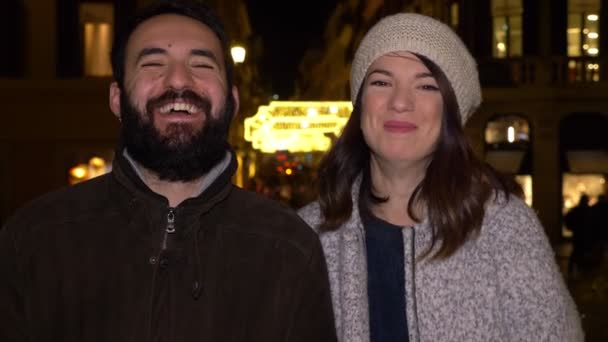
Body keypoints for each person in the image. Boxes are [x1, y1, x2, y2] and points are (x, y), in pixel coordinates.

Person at [0, 1, 336, 341]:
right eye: (153, 63)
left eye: (202, 64)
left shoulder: (290, 247)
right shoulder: (33, 240)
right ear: (117, 98)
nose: (178, 80)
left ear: (232, 100)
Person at [299, 13, 583, 342]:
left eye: (426, 85)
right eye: (381, 82)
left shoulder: (506, 229)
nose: (400, 102)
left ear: (450, 111)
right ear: (361, 103)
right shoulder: (305, 238)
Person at [564, 194, 591, 276]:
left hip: (579, 234)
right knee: (580, 252)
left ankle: (573, 270)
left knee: (577, 251)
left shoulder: (577, 209)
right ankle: (578, 270)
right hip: (583, 234)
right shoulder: (586, 210)